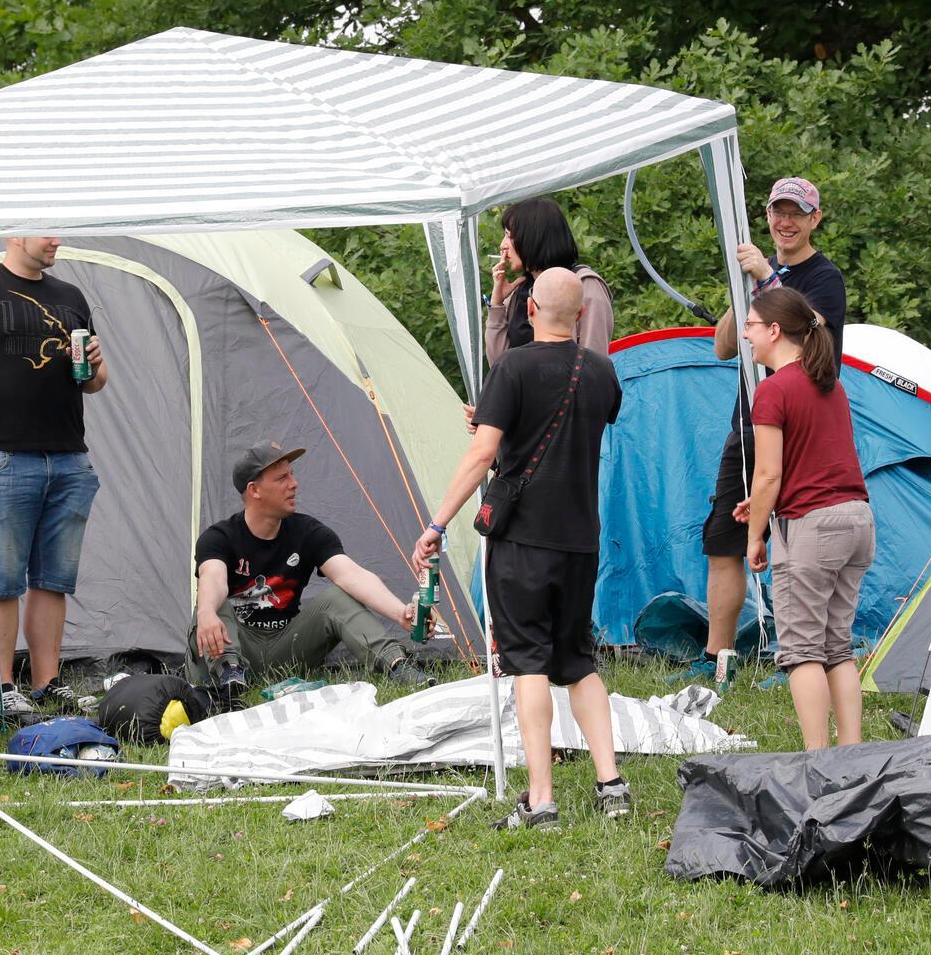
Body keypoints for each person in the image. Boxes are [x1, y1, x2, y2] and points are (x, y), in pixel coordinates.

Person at [416, 267, 631, 830]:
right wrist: (500, 419)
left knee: (528, 663)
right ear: (581, 315)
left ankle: (540, 799)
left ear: (530, 310)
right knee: (578, 661)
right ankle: (611, 784)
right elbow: (570, 424)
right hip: (580, 539)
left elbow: (484, 454)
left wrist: (438, 522)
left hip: (523, 540)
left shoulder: (511, 366)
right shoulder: (603, 372)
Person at [0, 237, 108, 725]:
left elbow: (95, 381)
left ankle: (47, 684)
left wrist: (93, 366)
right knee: (4, 581)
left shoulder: (71, 295)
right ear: (15, 231)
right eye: (46, 228)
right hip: (4, 456)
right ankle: (3, 687)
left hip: (70, 458)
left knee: (54, 580)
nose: (56, 239)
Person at [681, 176, 847, 682]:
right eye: (779, 211)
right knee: (722, 538)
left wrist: (769, 282)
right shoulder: (762, 276)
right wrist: (747, 288)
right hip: (751, 420)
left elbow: (811, 335)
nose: (786, 221)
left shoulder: (824, 278)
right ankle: (718, 659)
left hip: (800, 424)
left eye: (797, 212)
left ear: (815, 219)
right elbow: (724, 347)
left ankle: (799, 655)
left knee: (797, 537)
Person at [733, 287, 875, 749]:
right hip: (857, 521)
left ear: (774, 331)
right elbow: (811, 461)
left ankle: (817, 761)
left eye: (751, 326)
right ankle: (851, 755)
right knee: (838, 647)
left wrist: (756, 535)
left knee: (802, 652)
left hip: (813, 528)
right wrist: (761, 504)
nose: (746, 335)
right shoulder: (829, 383)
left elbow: (769, 472)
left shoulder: (773, 390)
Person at [189, 442, 430, 700]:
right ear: (254, 490)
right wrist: (205, 612)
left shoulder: (308, 532)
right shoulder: (219, 537)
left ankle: (397, 664)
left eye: (292, 474)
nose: (294, 483)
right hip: (236, 644)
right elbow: (213, 578)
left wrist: (400, 613)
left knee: (336, 597)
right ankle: (230, 677)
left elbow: (351, 574)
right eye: (282, 478)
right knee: (212, 604)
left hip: (288, 646)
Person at [484, 197, 615, 364]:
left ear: (533, 236)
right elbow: (500, 366)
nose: (503, 245)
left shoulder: (584, 285)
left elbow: (594, 367)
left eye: (509, 236)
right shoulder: (518, 293)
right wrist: (497, 305)